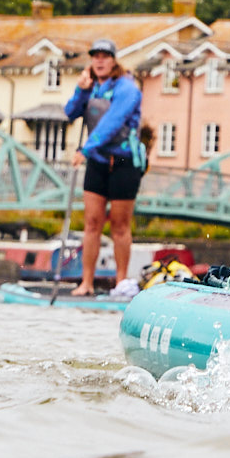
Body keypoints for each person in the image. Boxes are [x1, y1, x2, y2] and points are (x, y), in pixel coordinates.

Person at [62, 39, 145, 295]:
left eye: (104, 56)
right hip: (98, 162)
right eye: (95, 56)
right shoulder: (91, 87)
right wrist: (80, 90)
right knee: (92, 223)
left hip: (124, 162)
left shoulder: (127, 89)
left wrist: (84, 150)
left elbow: (113, 121)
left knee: (119, 225)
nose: (99, 61)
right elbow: (70, 113)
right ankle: (86, 282)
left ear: (113, 60)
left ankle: (120, 283)